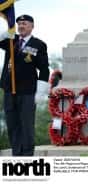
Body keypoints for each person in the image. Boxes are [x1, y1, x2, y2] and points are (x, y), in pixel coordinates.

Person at [0, 15, 50, 156]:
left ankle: (27, 155)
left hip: (27, 91)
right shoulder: (11, 40)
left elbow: (44, 69)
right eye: (19, 24)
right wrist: (5, 33)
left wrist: (40, 92)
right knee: (12, 125)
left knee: (26, 125)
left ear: (32, 26)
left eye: (24, 23)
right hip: (10, 90)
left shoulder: (38, 44)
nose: (21, 26)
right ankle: (17, 154)